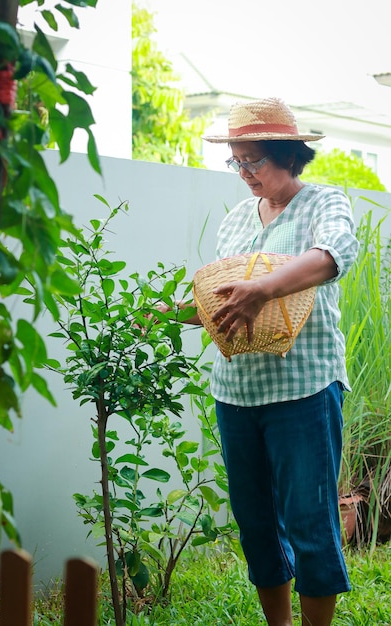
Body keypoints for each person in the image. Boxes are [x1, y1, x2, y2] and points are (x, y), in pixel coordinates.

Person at [175, 97, 359, 625]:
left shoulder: (324, 202)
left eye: (252, 160)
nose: (244, 172)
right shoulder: (236, 219)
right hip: (237, 394)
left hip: (303, 389)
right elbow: (222, 301)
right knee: (255, 523)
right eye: (237, 161)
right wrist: (166, 314)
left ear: (287, 154)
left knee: (309, 519)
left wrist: (262, 289)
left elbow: (330, 257)